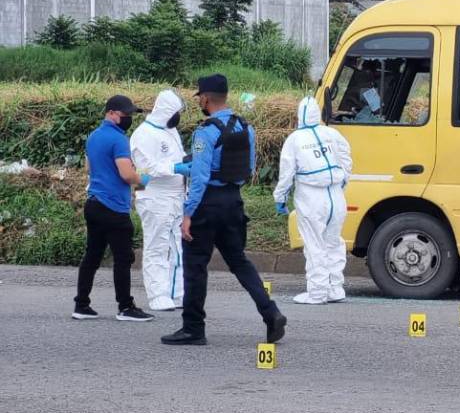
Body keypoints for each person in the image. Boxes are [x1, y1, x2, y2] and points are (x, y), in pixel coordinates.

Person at [161, 74, 287, 347]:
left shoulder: (205, 132)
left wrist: (188, 214)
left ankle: (193, 328)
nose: (200, 102)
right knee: (239, 262)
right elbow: (248, 168)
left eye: (200, 98)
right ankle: (271, 313)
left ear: (206, 98)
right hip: (233, 202)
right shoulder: (246, 127)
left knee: (195, 266)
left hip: (207, 203)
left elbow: (200, 178)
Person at [74, 95, 154, 322]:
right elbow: (127, 174)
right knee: (123, 257)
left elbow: (89, 167)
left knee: (92, 255)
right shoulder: (119, 139)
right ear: (110, 113)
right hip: (113, 207)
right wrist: (143, 179)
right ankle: (125, 307)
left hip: (93, 203)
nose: (128, 118)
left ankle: (81, 304)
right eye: (124, 114)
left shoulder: (93, 136)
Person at [273, 96, 353, 304]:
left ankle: (317, 292)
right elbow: (346, 158)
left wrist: (280, 197)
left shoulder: (295, 140)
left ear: (299, 115)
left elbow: (286, 173)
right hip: (336, 195)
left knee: (314, 244)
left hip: (311, 197)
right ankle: (335, 288)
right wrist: (344, 180)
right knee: (333, 242)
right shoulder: (331, 133)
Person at [129, 89, 186, 311]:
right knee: (157, 246)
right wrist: (176, 168)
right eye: (176, 112)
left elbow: (176, 157)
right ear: (165, 111)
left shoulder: (171, 131)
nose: (178, 117)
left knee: (178, 246)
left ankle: (177, 293)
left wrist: (187, 163)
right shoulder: (143, 134)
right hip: (155, 196)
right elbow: (146, 168)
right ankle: (157, 295)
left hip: (176, 196)